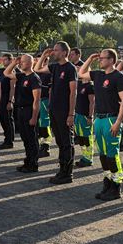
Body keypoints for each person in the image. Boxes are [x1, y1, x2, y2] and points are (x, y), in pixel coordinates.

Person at [78, 49, 123, 201]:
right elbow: (81, 73)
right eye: (99, 58)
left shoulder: (119, 77)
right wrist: (90, 58)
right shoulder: (98, 75)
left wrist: (118, 122)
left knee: (112, 155)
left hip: (111, 119)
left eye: (102, 58)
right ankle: (107, 184)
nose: (100, 60)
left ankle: (116, 186)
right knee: (102, 154)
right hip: (99, 119)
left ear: (112, 60)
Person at [35, 42, 78, 184]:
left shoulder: (70, 68)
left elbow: (73, 92)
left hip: (64, 111)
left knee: (67, 142)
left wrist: (71, 114)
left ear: (65, 52)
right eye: (53, 50)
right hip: (53, 109)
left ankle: (67, 174)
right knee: (60, 142)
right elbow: (37, 69)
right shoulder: (54, 67)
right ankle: (62, 170)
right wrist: (44, 56)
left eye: (56, 50)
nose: (54, 52)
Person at [3, 55, 42, 172]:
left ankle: (33, 164)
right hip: (20, 110)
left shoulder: (34, 78)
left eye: (23, 62)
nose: (21, 64)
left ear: (30, 63)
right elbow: (6, 72)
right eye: (21, 62)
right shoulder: (21, 76)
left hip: (29, 111)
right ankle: (27, 162)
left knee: (31, 139)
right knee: (25, 138)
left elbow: (37, 100)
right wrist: (14, 62)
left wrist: (34, 117)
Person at [69, 48, 95, 168]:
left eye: (81, 69)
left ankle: (88, 158)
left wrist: (90, 116)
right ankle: (85, 157)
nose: (79, 70)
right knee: (81, 137)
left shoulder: (89, 86)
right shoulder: (78, 85)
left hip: (85, 115)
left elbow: (92, 102)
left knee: (86, 137)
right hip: (78, 113)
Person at [0, 53, 16, 149]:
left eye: (5, 59)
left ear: (10, 60)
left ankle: (9, 141)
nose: (3, 61)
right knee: (3, 121)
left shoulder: (12, 72)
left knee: (8, 120)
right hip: (0, 98)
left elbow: (13, 88)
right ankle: (6, 139)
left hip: (7, 98)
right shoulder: (1, 70)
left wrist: (10, 101)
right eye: (3, 59)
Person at [36, 61, 52, 158]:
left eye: (41, 60)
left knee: (45, 124)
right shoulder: (37, 73)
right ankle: (40, 145)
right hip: (38, 100)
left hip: (45, 100)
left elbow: (50, 89)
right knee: (39, 124)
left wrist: (50, 103)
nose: (39, 62)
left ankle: (46, 146)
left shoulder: (49, 73)